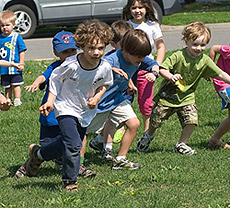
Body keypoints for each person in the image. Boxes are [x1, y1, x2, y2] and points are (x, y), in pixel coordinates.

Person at [17, 20, 114, 191]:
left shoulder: (105, 66)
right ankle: (69, 181)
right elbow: (55, 79)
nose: (96, 52)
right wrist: (50, 102)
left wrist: (97, 97)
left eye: (100, 48)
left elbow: (105, 83)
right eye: (91, 48)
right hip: (65, 107)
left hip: (85, 111)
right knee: (75, 145)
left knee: (66, 143)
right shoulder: (71, 64)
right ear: (82, 46)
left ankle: (38, 155)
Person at [136, 21, 230, 155]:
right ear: (186, 42)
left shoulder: (204, 60)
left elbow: (221, 74)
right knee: (156, 121)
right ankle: (148, 135)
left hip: (187, 97)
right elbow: (162, 68)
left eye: (203, 45)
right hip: (167, 97)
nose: (199, 48)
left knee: (191, 120)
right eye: (195, 44)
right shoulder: (178, 56)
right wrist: (171, 77)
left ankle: (181, 144)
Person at [15, 30, 96, 178]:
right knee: (50, 147)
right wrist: (35, 83)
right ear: (56, 53)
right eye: (65, 52)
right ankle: (32, 160)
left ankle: (76, 166)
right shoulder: (55, 67)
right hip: (51, 113)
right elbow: (43, 76)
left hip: (71, 112)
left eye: (73, 50)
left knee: (72, 141)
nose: (70, 54)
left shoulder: (81, 66)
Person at [87, 29, 159, 170]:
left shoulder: (138, 58)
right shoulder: (111, 59)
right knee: (81, 132)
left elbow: (153, 64)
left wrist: (154, 72)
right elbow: (95, 68)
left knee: (133, 124)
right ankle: (63, 154)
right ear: (126, 51)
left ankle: (120, 159)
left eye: (144, 56)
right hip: (100, 102)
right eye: (139, 56)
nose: (142, 60)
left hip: (117, 99)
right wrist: (112, 70)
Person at [122, 0, 165, 132]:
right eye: (134, 7)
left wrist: (156, 66)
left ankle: (147, 131)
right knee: (124, 97)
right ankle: (120, 126)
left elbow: (160, 46)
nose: (137, 10)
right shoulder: (126, 26)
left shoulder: (153, 25)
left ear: (147, 8)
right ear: (129, 9)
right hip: (128, 67)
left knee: (145, 100)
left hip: (146, 68)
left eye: (141, 7)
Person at [0, 10, 27, 106]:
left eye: (7, 25)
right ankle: (7, 99)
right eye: (2, 25)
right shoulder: (0, 38)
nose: (5, 28)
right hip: (4, 68)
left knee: (16, 84)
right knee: (7, 85)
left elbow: (22, 51)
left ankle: (17, 99)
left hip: (15, 67)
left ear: (13, 24)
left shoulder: (17, 37)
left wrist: (21, 63)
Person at [208, 45, 230, 149]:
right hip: (223, 84)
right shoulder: (228, 50)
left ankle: (214, 140)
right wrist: (210, 69)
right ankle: (214, 139)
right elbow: (213, 48)